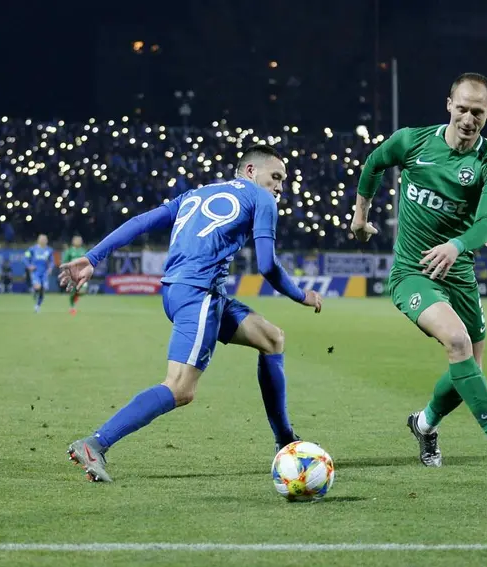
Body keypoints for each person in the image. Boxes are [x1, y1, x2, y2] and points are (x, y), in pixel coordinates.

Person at [59, 145, 323, 482]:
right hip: (199, 294)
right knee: (180, 388)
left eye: (283, 181)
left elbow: (141, 222)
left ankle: (285, 439)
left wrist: (93, 257)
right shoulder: (261, 199)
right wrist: (302, 295)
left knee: (272, 338)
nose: (280, 187)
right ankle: (95, 443)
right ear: (250, 171)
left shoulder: (196, 194)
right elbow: (268, 266)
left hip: (180, 290)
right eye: (276, 177)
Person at [352, 72, 487, 473]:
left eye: (477, 112)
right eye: (462, 109)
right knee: (457, 341)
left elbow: (485, 224)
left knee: (469, 369)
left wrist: (456, 245)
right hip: (413, 272)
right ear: (449, 105)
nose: (468, 119)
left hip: (459, 274)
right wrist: (360, 216)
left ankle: (423, 424)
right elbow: (374, 163)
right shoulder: (412, 142)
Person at [24, 234, 53, 313]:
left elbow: (51, 261)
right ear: (38, 240)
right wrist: (29, 266)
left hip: (44, 273)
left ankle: (38, 305)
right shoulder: (32, 249)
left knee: (43, 289)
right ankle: (34, 291)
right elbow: (25, 258)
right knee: (37, 287)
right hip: (35, 272)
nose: (43, 241)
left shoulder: (49, 250)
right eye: (42, 239)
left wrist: (50, 268)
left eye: (45, 239)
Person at [62, 235, 87, 315]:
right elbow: (65, 261)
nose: (79, 242)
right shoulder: (69, 251)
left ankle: (77, 296)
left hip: (82, 273)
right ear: (73, 241)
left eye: (80, 240)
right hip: (72, 274)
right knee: (73, 292)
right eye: (77, 240)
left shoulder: (83, 251)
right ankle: (72, 307)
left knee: (83, 291)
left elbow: (87, 261)